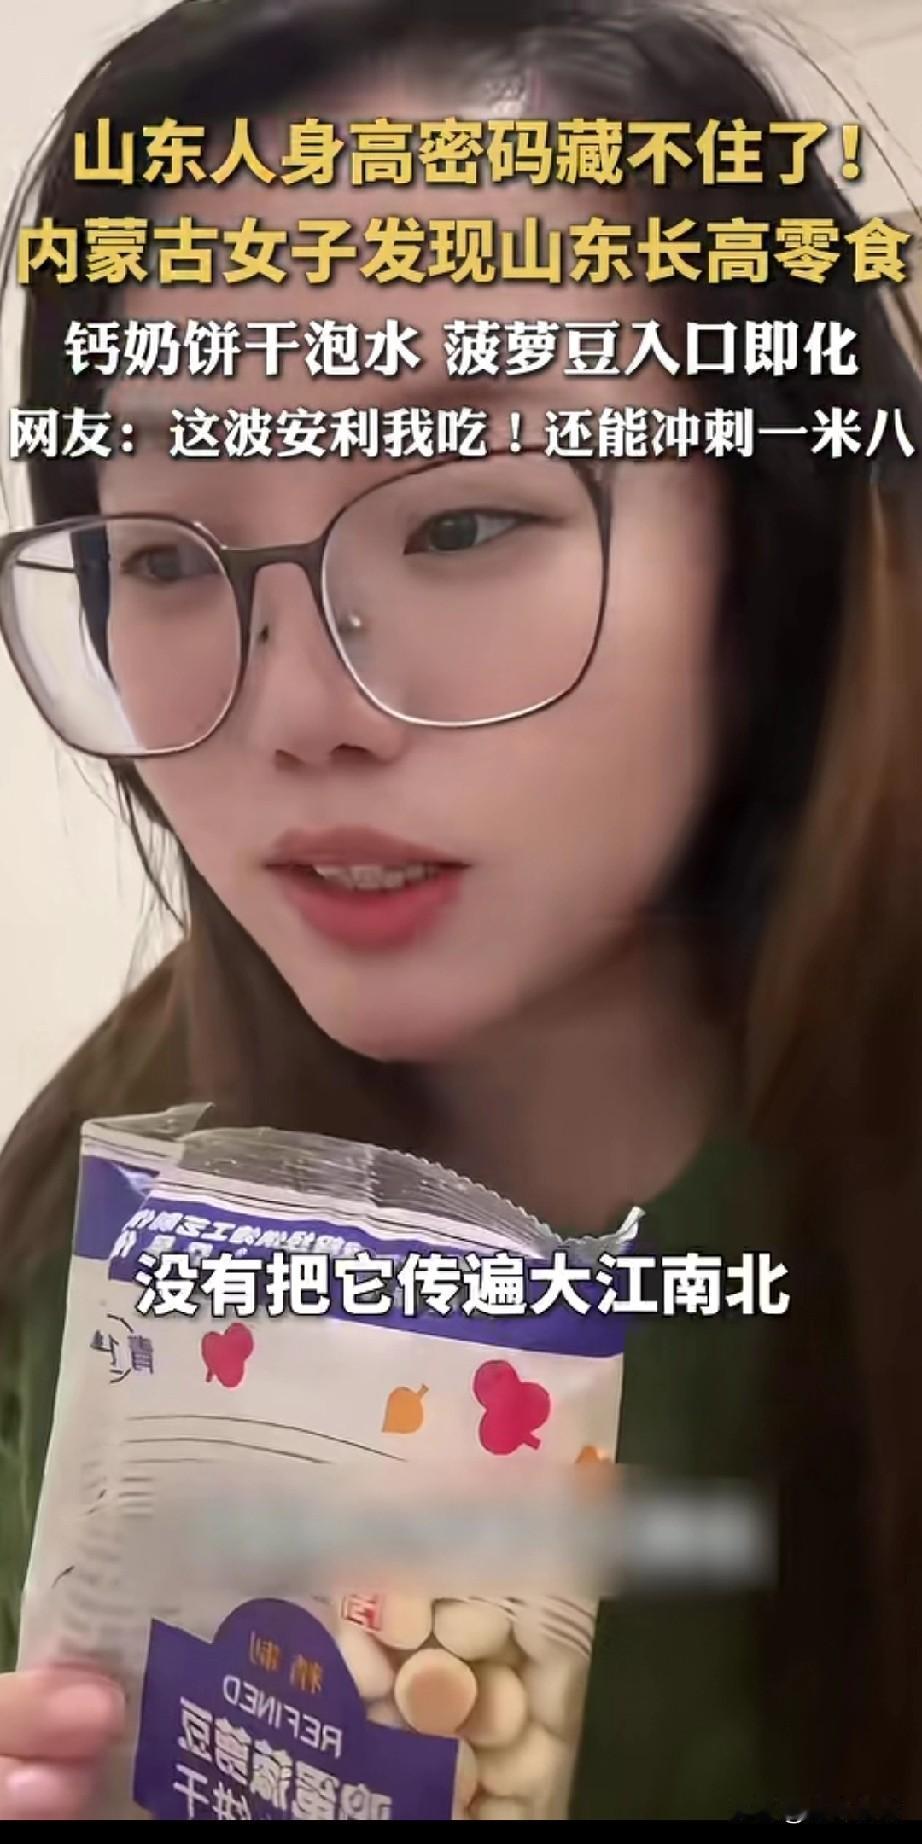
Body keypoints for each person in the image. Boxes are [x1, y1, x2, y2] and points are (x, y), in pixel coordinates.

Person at [1, 0, 921, 1821]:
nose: (298, 711)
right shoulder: (83, 1222)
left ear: (774, 544)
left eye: (459, 525)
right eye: (169, 556)